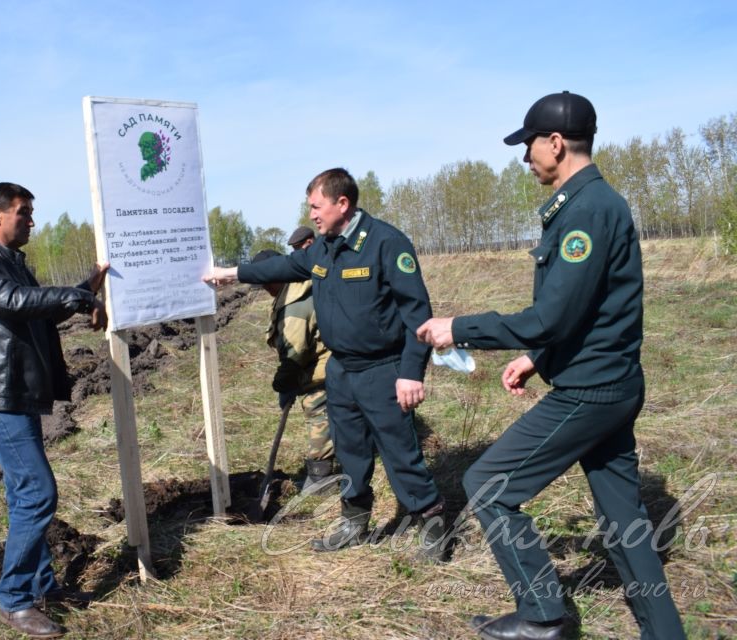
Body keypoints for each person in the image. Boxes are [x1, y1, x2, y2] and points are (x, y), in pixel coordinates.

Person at [417, 92, 686, 640]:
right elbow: (590, 310)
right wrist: (536, 359)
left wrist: (459, 327)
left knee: (488, 483)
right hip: (611, 382)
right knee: (625, 525)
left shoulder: (586, 210)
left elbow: (551, 316)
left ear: (556, 143)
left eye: (530, 145)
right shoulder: (594, 203)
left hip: (590, 391)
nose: (525, 158)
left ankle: (543, 616)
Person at [204, 168, 446, 558]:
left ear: (342, 203)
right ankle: (354, 520)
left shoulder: (386, 244)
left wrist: (411, 373)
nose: (312, 215)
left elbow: (419, 315)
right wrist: (233, 274)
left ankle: (431, 523)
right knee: (350, 451)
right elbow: (282, 266)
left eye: (316, 206)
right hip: (340, 371)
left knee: (400, 451)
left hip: (382, 369)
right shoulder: (324, 246)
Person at [0, 182, 109, 638]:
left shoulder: (13, 265)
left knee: (26, 494)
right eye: (23, 212)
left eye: (31, 213)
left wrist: (85, 288)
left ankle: (42, 586)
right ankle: (15, 600)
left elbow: (37, 312)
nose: (31, 221)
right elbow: (14, 302)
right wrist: (78, 298)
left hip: (16, 396)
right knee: (38, 492)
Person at [250, 248, 337, 492]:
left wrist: (284, 383)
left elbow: (294, 354)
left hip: (325, 369)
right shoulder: (296, 289)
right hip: (324, 363)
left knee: (318, 412)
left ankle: (321, 478)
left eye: (266, 283)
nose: (265, 290)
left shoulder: (295, 305)